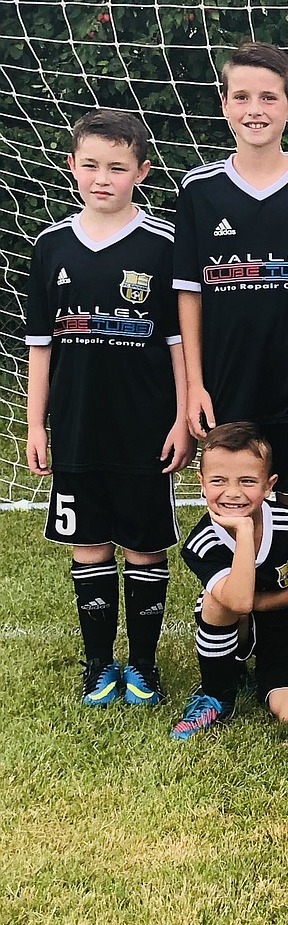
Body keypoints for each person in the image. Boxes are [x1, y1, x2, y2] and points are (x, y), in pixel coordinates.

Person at [24, 108, 192, 707]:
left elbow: (178, 342)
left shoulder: (164, 245)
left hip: (146, 425)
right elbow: (39, 347)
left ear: (141, 172)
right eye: (91, 164)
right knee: (89, 541)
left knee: (144, 544)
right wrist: (35, 425)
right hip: (75, 424)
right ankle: (98, 665)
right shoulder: (49, 247)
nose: (103, 177)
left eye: (117, 167)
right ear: (71, 167)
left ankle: (142, 665)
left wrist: (180, 418)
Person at [173, 40, 288, 533]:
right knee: (234, 498)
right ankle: (235, 608)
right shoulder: (199, 189)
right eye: (243, 97)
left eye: (269, 97)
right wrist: (194, 386)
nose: (255, 109)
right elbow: (189, 292)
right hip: (227, 378)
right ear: (224, 104)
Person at [170, 422, 288, 739]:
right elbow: (238, 602)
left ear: (269, 485)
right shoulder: (202, 542)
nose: (232, 492)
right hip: (236, 623)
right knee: (216, 600)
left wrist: (263, 604)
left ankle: (264, 676)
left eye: (247, 481)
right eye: (218, 481)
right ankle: (217, 694)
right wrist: (243, 533)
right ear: (201, 483)